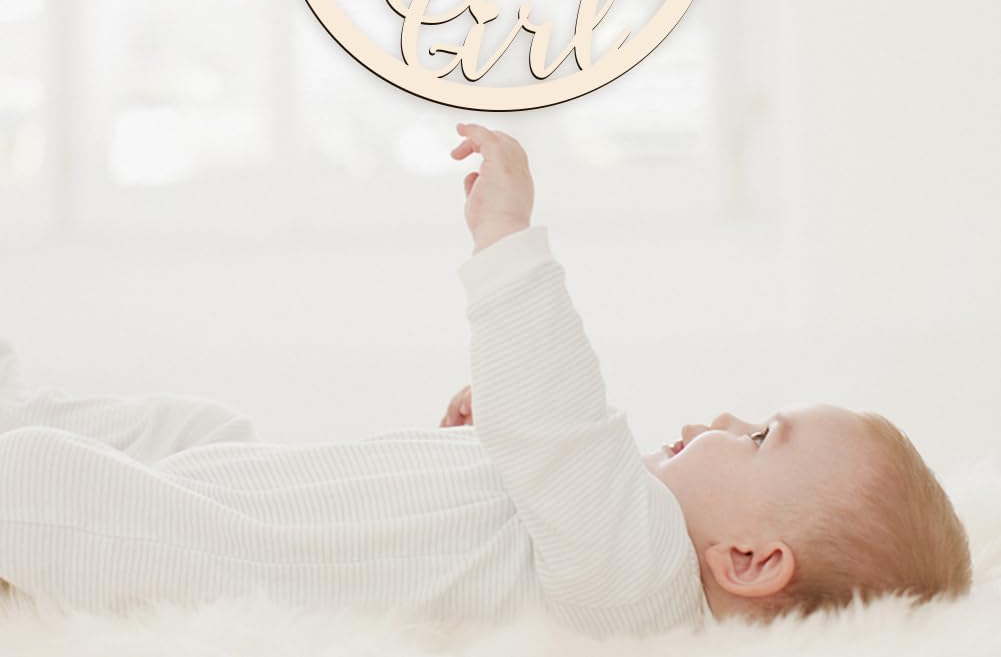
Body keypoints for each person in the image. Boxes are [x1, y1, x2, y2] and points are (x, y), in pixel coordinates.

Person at [0, 124, 972, 638]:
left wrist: (506, 238)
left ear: (749, 560)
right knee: (193, 425)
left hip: (241, 550)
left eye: (760, 435)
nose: (723, 415)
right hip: (263, 484)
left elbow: (562, 428)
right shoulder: (604, 539)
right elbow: (535, 461)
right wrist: (482, 435)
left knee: (47, 476)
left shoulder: (641, 586)